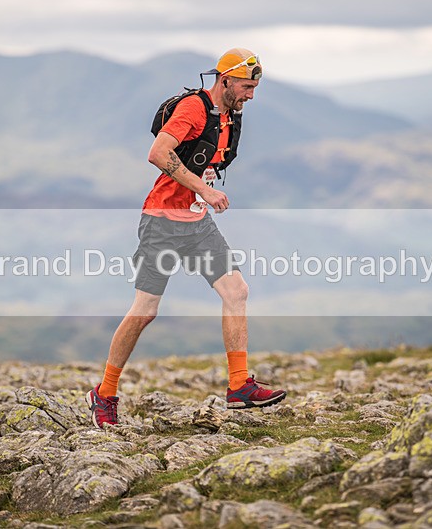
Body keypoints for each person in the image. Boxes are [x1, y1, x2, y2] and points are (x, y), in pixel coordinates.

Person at [85, 48, 287, 428]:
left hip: (196, 223)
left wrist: (202, 197)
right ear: (224, 81)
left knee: (236, 290)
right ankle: (105, 393)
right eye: (246, 87)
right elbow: (158, 153)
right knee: (145, 311)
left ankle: (239, 385)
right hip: (161, 220)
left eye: (255, 88)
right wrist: (206, 190)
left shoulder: (228, 115)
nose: (251, 95)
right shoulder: (194, 109)